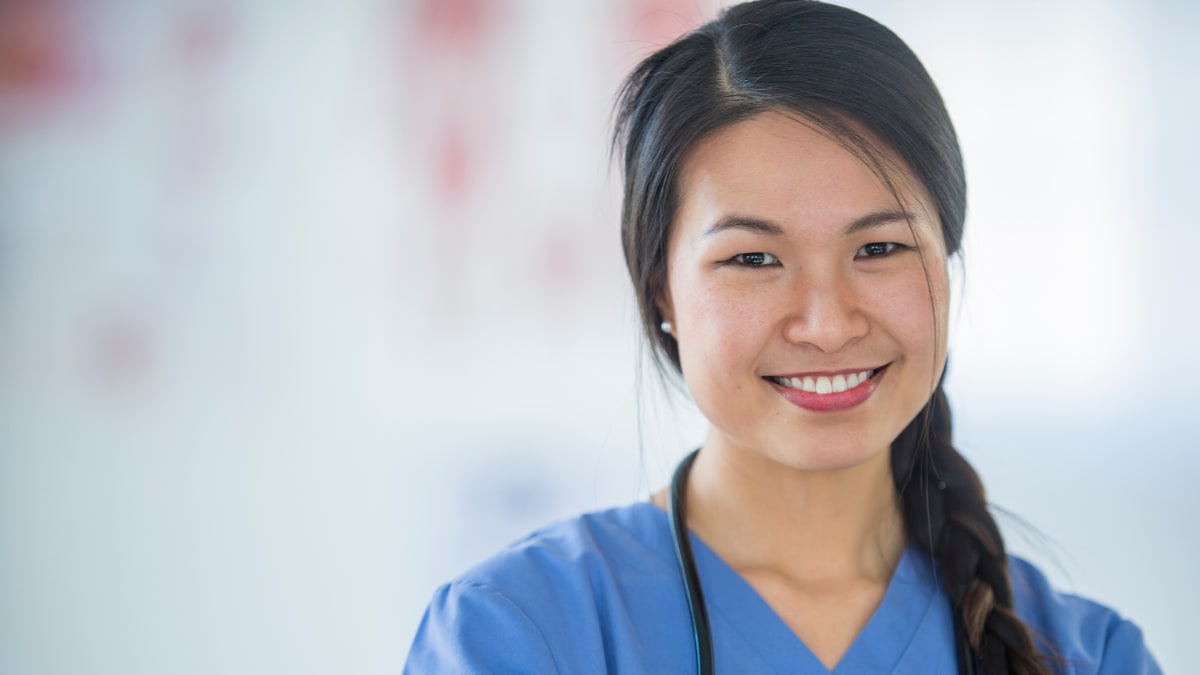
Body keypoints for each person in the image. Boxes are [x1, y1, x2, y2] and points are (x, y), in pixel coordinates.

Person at [403, 1, 1162, 673]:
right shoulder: (524, 633)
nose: (827, 324)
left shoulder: (1085, 656)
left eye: (879, 248)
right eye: (753, 259)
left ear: (947, 261)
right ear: (661, 288)